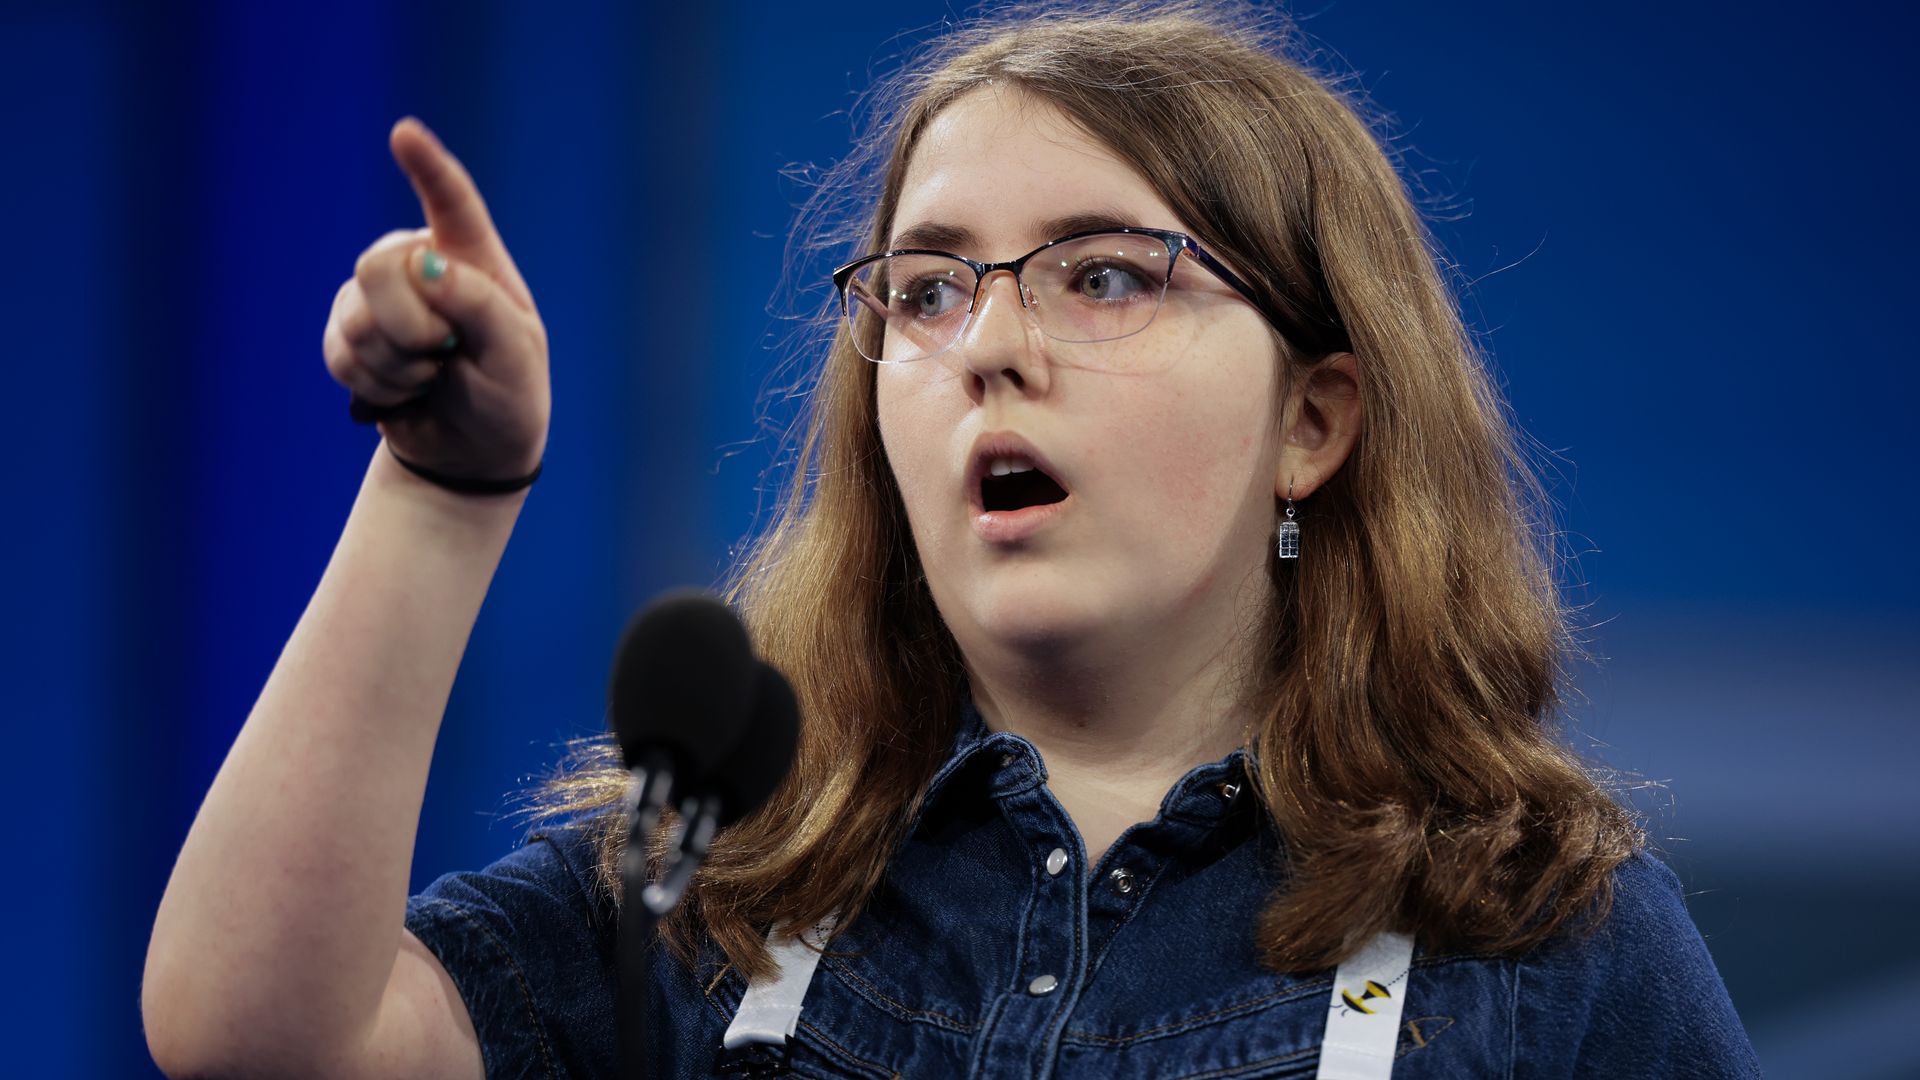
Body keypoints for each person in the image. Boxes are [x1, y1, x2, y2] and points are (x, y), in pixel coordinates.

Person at [142, 2, 1761, 1077]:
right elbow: (257, 1037)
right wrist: (439, 490)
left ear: (1313, 423)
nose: (989, 341)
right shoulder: (716, 881)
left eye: (1104, 274)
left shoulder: (1546, 940)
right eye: (928, 287)